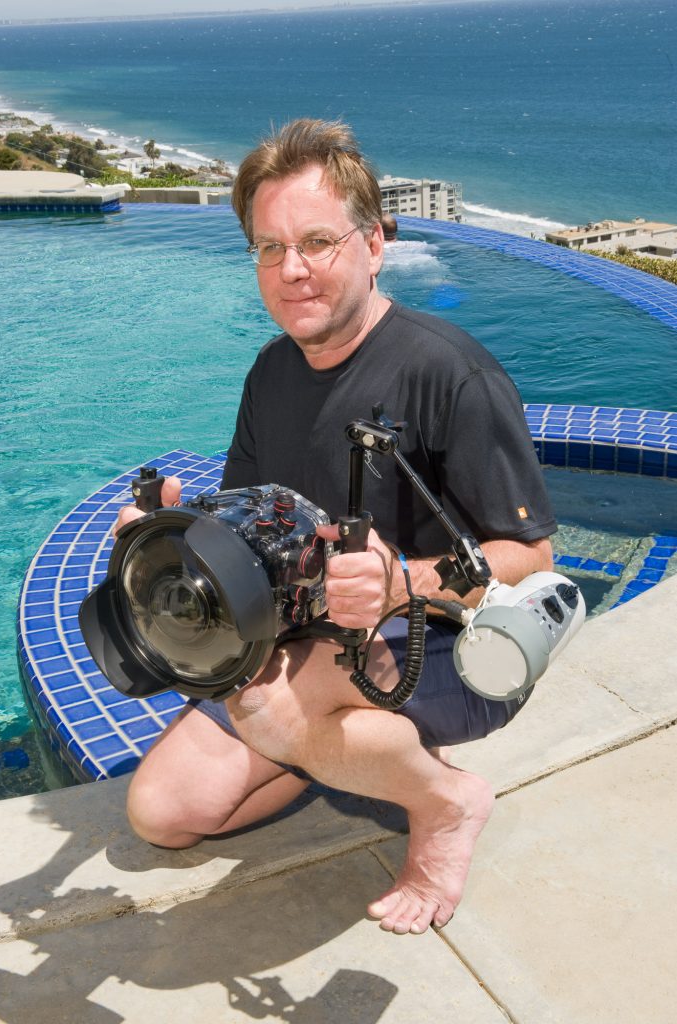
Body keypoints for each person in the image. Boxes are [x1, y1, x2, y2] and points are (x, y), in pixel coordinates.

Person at [117, 119, 556, 936]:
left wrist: (401, 584)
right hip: (307, 640)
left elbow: (532, 559)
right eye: (268, 247)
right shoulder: (272, 370)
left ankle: (445, 803)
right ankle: (351, 752)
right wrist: (161, 538)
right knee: (163, 813)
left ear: (374, 244)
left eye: (317, 241)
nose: (292, 270)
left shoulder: (448, 372)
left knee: (267, 712)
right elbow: (246, 526)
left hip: (445, 646)